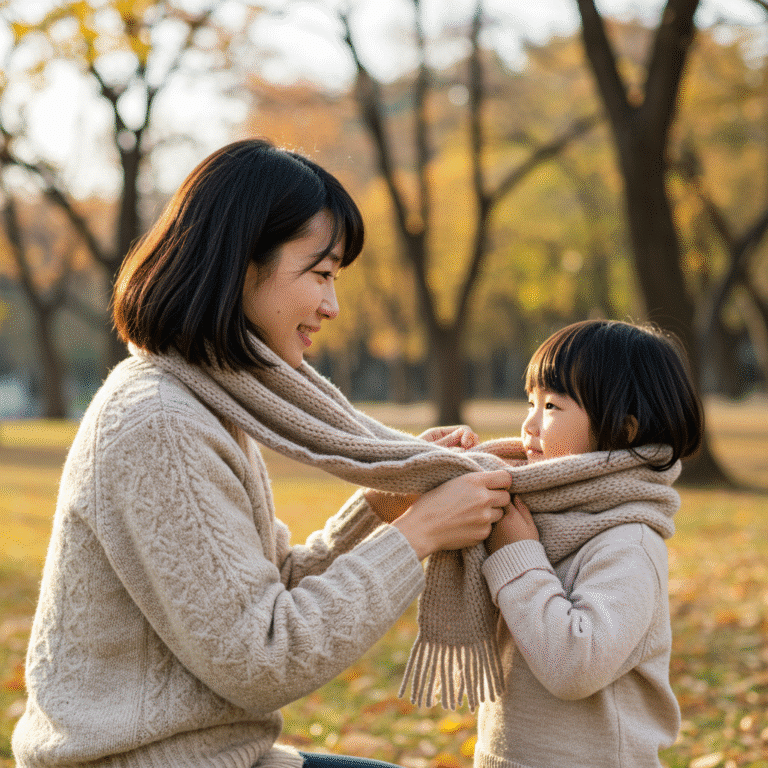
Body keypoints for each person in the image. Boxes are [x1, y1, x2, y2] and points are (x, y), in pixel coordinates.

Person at [12, 138, 514, 768]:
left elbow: (269, 593)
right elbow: (263, 658)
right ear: (242, 266)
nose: (332, 305)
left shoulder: (208, 400)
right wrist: (419, 534)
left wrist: (378, 510)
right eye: (321, 274)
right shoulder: (161, 422)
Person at [468, 319, 702, 768]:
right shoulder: (533, 513)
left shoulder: (628, 542)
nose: (529, 423)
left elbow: (575, 665)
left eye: (552, 406)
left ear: (625, 430)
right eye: (530, 401)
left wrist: (517, 555)